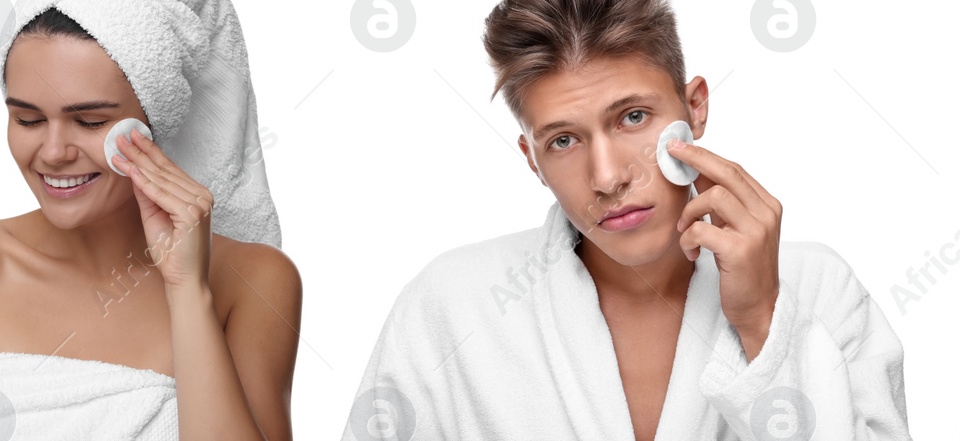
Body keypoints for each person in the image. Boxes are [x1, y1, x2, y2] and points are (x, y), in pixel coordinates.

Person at [343, 1, 909, 440]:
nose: (608, 176)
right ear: (531, 160)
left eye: (633, 117)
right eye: (563, 140)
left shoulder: (818, 288)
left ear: (696, 108)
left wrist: (763, 324)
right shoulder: (451, 304)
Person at [0, 2, 301, 439]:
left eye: (89, 121)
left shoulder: (254, 280)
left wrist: (187, 291)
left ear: (156, 119)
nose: (52, 153)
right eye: (27, 120)